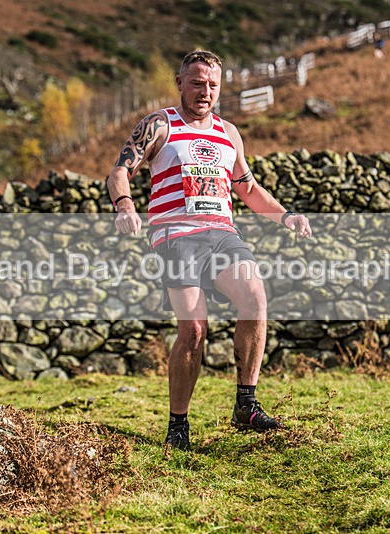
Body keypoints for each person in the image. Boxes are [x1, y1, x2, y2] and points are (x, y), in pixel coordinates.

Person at [106, 50, 312, 451]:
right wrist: (125, 205)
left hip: (221, 234)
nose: (205, 91)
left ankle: (245, 405)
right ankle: (178, 425)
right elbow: (119, 172)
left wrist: (287, 216)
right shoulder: (159, 125)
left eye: (213, 85)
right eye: (197, 82)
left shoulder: (229, 133)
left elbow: (248, 190)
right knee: (194, 331)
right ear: (180, 82)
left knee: (255, 298)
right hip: (176, 237)